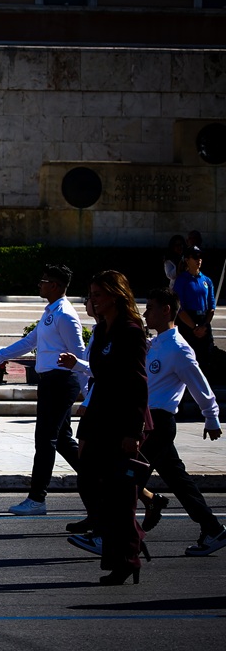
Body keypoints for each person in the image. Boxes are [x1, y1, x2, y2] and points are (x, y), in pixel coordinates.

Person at [0, 264, 85, 516]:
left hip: (61, 382)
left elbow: (78, 356)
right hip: (50, 382)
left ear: (55, 286)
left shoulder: (66, 315)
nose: (40, 284)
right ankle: (99, 480)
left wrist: (87, 392)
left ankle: (37, 498)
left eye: (44, 280)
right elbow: (29, 342)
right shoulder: (51, 312)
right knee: (63, 441)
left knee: (45, 439)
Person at [73, 271, 150, 585]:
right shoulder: (102, 330)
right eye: (91, 294)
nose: (93, 300)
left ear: (116, 296)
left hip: (123, 424)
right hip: (100, 420)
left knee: (121, 498)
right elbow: (98, 381)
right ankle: (129, 544)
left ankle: (126, 559)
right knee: (91, 484)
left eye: (98, 295)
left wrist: (134, 432)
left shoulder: (131, 332)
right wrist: (85, 430)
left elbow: (138, 384)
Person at [138, 287, 226, 556]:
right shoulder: (155, 344)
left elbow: (200, 385)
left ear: (166, 310)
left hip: (159, 424)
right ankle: (213, 529)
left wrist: (211, 418)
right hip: (148, 422)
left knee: (125, 478)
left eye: (150, 307)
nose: (145, 312)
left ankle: (108, 536)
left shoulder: (178, 349)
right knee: (179, 481)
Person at [172, 245, 216, 368]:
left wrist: (204, 325)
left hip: (203, 320)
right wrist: (194, 327)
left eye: (200, 257)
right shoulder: (182, 280)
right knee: (188, 358)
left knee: (206, 357)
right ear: (187, 260)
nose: (199, 260)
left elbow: (211, 306)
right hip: (188, 322)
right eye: (195, 257)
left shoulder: (207, 280)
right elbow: (179, 307)